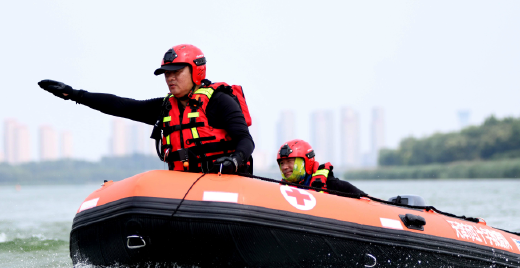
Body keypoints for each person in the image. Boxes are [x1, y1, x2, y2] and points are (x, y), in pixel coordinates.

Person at [38, 44, 254, 174]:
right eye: (166, 73)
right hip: (185, 186)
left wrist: (233, 161)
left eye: (176, 72)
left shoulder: (220, 101)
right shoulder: (165, 108)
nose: (170, 77)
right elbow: (121, 106)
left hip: (223, 181)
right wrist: (73, 94)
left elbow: (246, 140)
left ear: (196, 71)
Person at [276, 139, 366, 196]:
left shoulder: (330, 184)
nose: (284, 167)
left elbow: (365, 199)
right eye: (282, 163)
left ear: (306, 162)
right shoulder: (281, 188)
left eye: (289, 161)